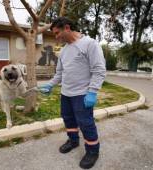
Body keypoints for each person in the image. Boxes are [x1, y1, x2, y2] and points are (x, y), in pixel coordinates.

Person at [39, 17, 106, 169]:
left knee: (85, 123)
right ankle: (73, 141)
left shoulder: (89, 44)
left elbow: (99, 70)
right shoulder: (64, 50)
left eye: (57, 33)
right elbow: (60, 74)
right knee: (68, 119)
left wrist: (93, 92)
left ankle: (92, 151)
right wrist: (50, 84)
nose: (56, 37)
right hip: (66, 94)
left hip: (82, 94)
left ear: (67, 28)